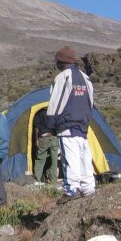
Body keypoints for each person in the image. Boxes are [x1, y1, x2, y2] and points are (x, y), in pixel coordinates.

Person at [45, 46, 96, 202]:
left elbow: (56, 102)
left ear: (62, 61)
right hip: (83, 125)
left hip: (67, 125)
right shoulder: (85, 78)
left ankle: (71, 189)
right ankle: (88, 188)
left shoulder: (63, 77)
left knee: (70, 158)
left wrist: (51, 125)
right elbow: (90, 102)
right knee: (84, 157)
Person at [32, 109, 59, 184]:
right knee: (54, 160)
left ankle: (37, 179)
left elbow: (36, 128)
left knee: (40, 159)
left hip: (43, 138)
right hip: (53, 138)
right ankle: (53, 180)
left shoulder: (39, 113)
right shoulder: (54, 112)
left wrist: (36, 139)